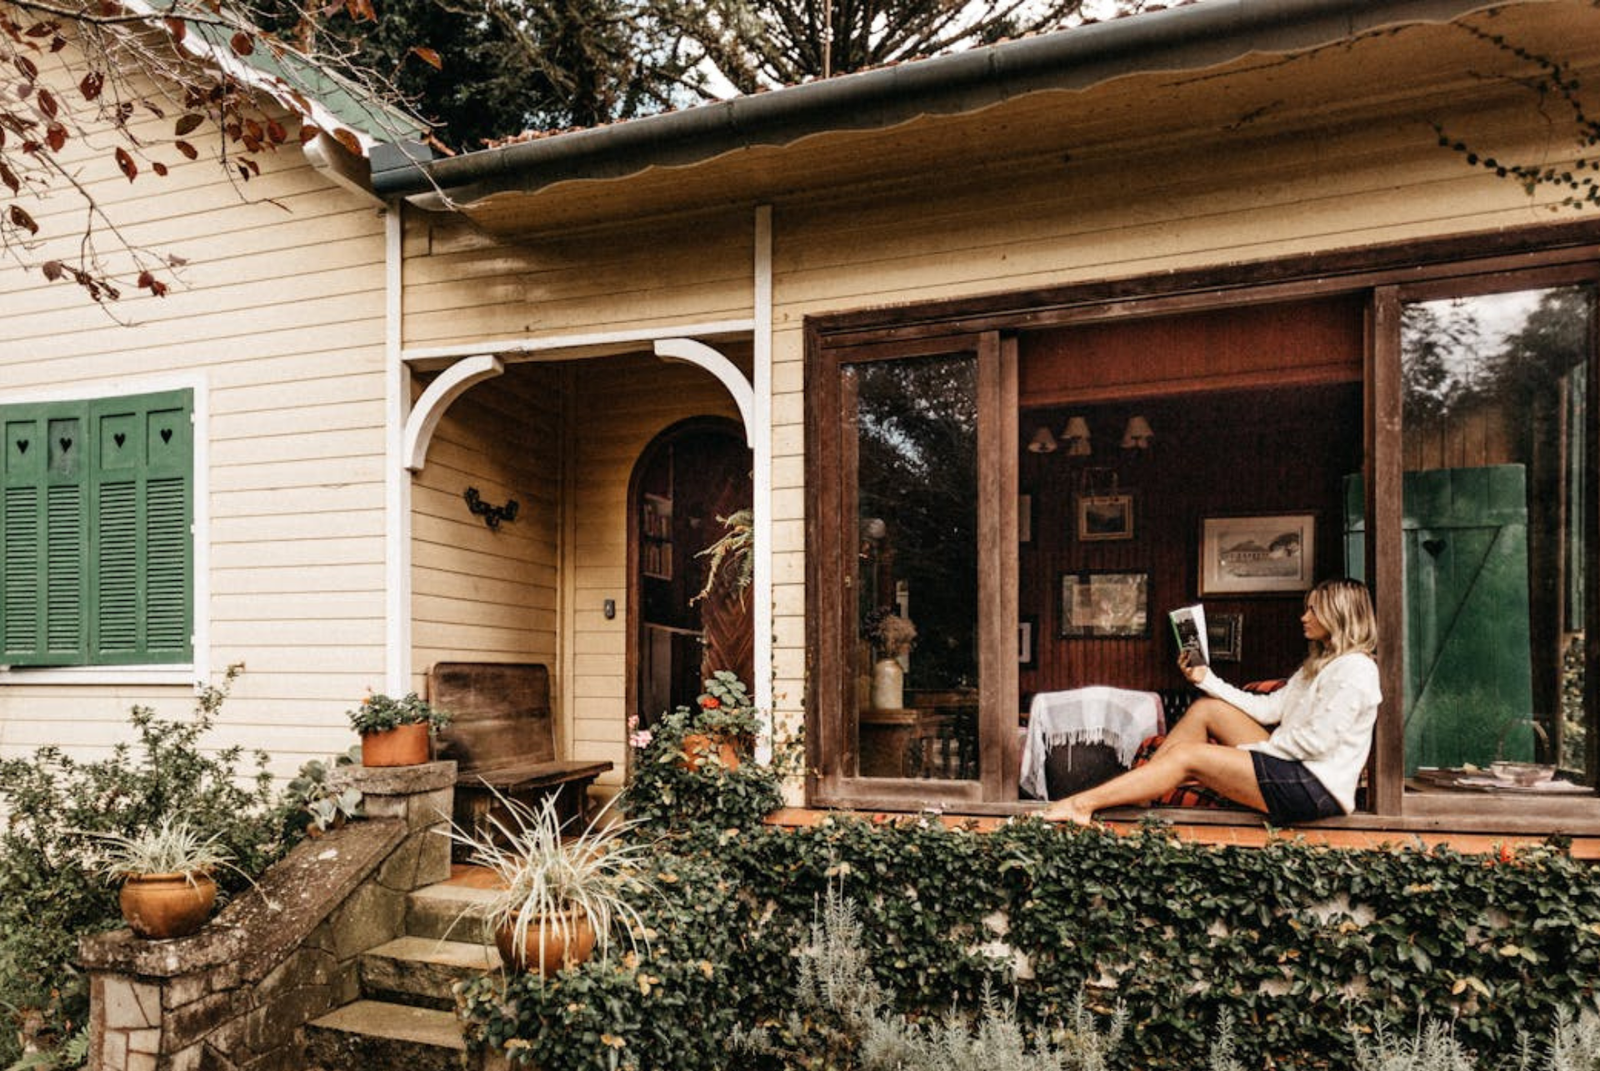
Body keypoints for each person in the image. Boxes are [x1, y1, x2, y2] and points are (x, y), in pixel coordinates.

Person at [1039, 577, 1381, 827]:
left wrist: (1241, 756)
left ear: (1338, 615)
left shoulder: (1356, 669)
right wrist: (1206, 679)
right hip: (1292, 765)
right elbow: (1268, 709)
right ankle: (1144, 789)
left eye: (1314, 610)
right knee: (1207, 710)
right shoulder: (1320, 666)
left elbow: (1316, 743)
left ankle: (1082, 804)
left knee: (1188, 756)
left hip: (1314, 787)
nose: (1304, 617)